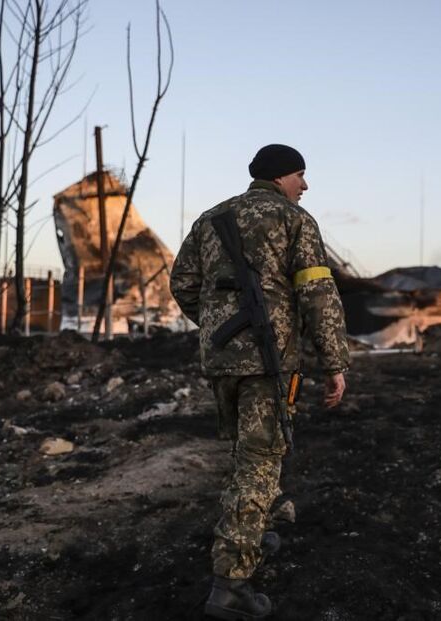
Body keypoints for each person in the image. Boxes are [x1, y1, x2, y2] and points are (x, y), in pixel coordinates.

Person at [170, 144, 350, 619]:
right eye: (300, 176)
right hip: (269, 366)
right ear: (280, 177)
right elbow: (317, 292)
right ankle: (231, 585)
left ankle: (259, 527)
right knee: (259, 463)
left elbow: (183, 284)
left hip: (224, 363)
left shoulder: (211, 218)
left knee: (248, 455)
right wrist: (335, 362)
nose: (305, 186)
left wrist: (217, 328)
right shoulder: (295, 220)